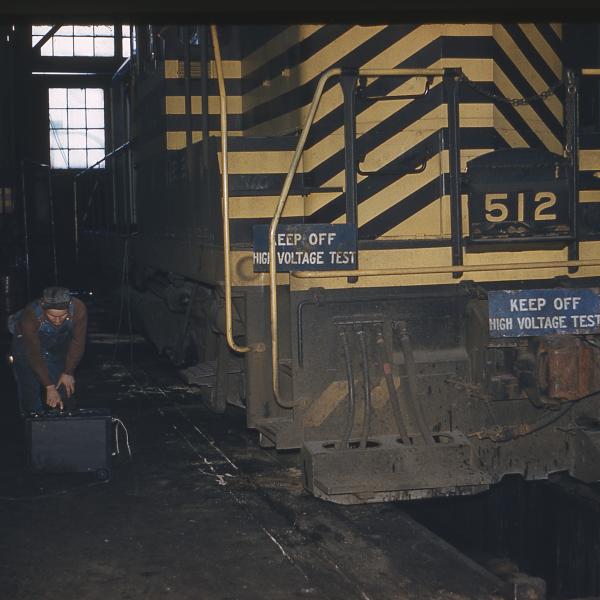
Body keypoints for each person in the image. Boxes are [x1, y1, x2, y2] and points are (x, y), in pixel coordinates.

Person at [9, 286, 88, 414]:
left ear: (69, 307)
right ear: (43, 308)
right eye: (52, 316)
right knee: (30, 390)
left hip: (54, 345)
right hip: (26, 347)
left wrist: (68, 372)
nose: (57, 321)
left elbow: (77, 342)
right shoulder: (31, 313)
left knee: (64, 388)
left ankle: (64, 420)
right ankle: (34, 421)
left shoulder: (78, 308)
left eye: (62, 316)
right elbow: (33, 353)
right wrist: (49, 386)